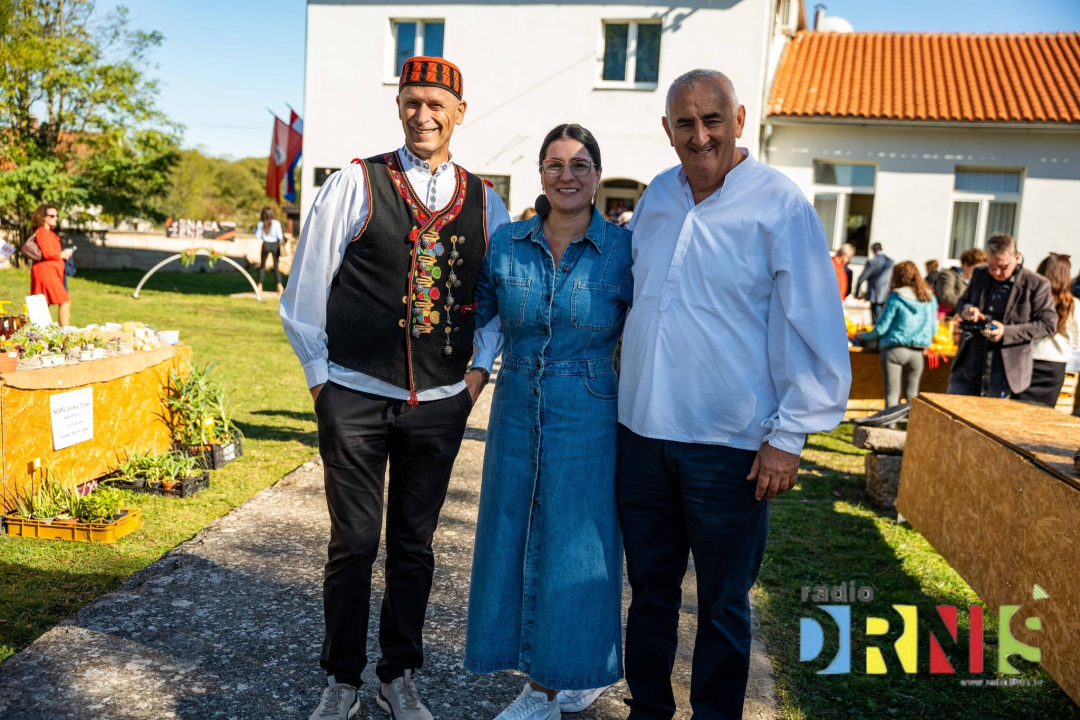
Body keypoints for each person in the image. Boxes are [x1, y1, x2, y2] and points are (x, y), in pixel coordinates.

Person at [280, 56, 511, 720]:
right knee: (352, 542)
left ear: (459, 113)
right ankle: (341, 679)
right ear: (399, 106)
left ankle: (398, 675)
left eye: (437, 104)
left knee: (414, 545)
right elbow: (306, 288)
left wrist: (475, 376)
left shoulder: (487, 200)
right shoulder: (357, 181)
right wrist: (322, 382)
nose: (423, 114)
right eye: (412, 101)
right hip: (352, 393)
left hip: (440, 404)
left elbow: (494, 301)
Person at [616, 69, 851, 720]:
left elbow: (816, 327)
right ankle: (648, 710)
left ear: (738, 120)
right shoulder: (657, 200)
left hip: (731, 446)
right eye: (684, 123)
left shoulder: (780, 204)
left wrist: (790, 435)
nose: (700, 136)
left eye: (712, 119)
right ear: (667, 130)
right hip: (641, 438)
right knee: (650, 594)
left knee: (722, 603)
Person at [465, 124, 631, 720]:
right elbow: (479, 319)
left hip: (589, 404)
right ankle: (544, 676)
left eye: (581, 164)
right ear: (540, 174)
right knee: (510, 533)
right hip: (515, 402)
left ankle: (554, 684)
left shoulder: (622, 250)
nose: (568, 175)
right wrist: (470, 377)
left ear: (597, 176)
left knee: (579, 543)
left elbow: (647, 333)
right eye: (556, 164)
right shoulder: (507, 243)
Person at [946, 233, 1056, 399]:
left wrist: (1006, 332)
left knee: (989, 420)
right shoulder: (980, 273)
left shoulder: (1036, 284)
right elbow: (962, 302)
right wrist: (968, 309)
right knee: (952, 413)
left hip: (1005, 365)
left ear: (1017, 258)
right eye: (991, 266)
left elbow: (1048, 324)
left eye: (1003, 267)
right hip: (970, 359)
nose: (996, 272)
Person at [857, 261, 938, 408]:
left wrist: (864, 336)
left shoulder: (895, 297)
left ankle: (890, 426)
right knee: (912, 396)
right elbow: (934, 329)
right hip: (917, 354)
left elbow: (881, 328)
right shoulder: (929, 299)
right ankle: (910, 428)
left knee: (892, 394)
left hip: (894, 350)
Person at [1014, 253, 1078, 407]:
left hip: (1026, 358)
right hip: (1054, 365)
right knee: (1043, 415)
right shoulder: (1073, 305)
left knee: (1016, 412)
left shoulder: (1027, 298)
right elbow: (1076, 341)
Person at [28, 203, 73, 326]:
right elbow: (48, 253)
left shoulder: (50, 234)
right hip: (46, 272)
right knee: (64, 300)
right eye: (52, 216)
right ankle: (65, 331)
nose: (55, 218)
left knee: (42, 303)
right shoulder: (42, 232)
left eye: (56, 216)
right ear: (43, 217)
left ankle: (40, 332)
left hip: (50, 272)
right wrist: (62, 255)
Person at [935, 247, 986, 316]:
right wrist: (967, 305)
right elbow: (946, 297)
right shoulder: (948, 274)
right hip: (948, 319)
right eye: (976, 267)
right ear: (966, 263)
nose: (979, 271)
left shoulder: (975, 280)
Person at [855, 242, 894, 323]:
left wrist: (857, 293)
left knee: (876, 320)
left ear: (873, 251)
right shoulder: (890, 261)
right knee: (883, 318)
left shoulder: (873, 262)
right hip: (887, 294)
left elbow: (862, 278)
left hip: (875, 294)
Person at [255, 206, 285, 295]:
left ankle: (259, 286)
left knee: (262, 266)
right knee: (276, 266)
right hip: (275, 245)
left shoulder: (261, 224)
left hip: (266, 245)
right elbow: (280, 236)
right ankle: (279, 286)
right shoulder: (276, 223)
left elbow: (257, 236)